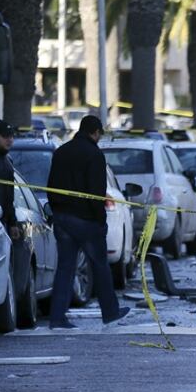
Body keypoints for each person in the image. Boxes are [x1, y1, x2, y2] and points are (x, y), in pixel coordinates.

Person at [46, 115, 129, 329]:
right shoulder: (94, 155)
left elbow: (51, 185)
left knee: (65, 267)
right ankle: (110, 311)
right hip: (86, 220)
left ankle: (57, 317)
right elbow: (96, 192)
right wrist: (100, 221)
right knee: (100, 265)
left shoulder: (61, 152)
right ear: (95, 132)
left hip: (63, 217)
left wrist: (57, 211)